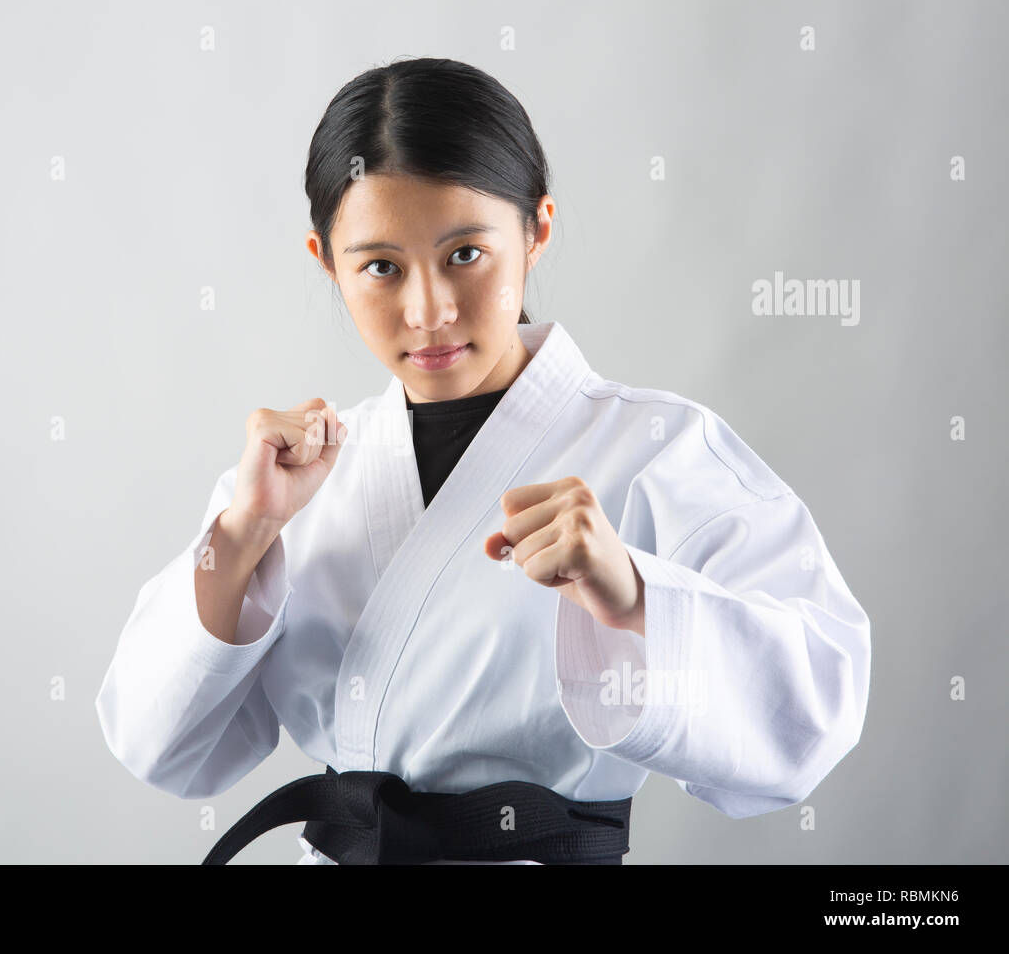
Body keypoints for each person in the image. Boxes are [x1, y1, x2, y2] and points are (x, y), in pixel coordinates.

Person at [94, 57, 871, 865]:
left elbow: (813, 714)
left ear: (536, 230)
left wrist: (635, 592)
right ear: (326, 260)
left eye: (466, 254)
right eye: (380, 266)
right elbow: (160, 745)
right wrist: (247, 530)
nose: (428, 310)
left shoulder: (657, 453)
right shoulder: (289, 486)